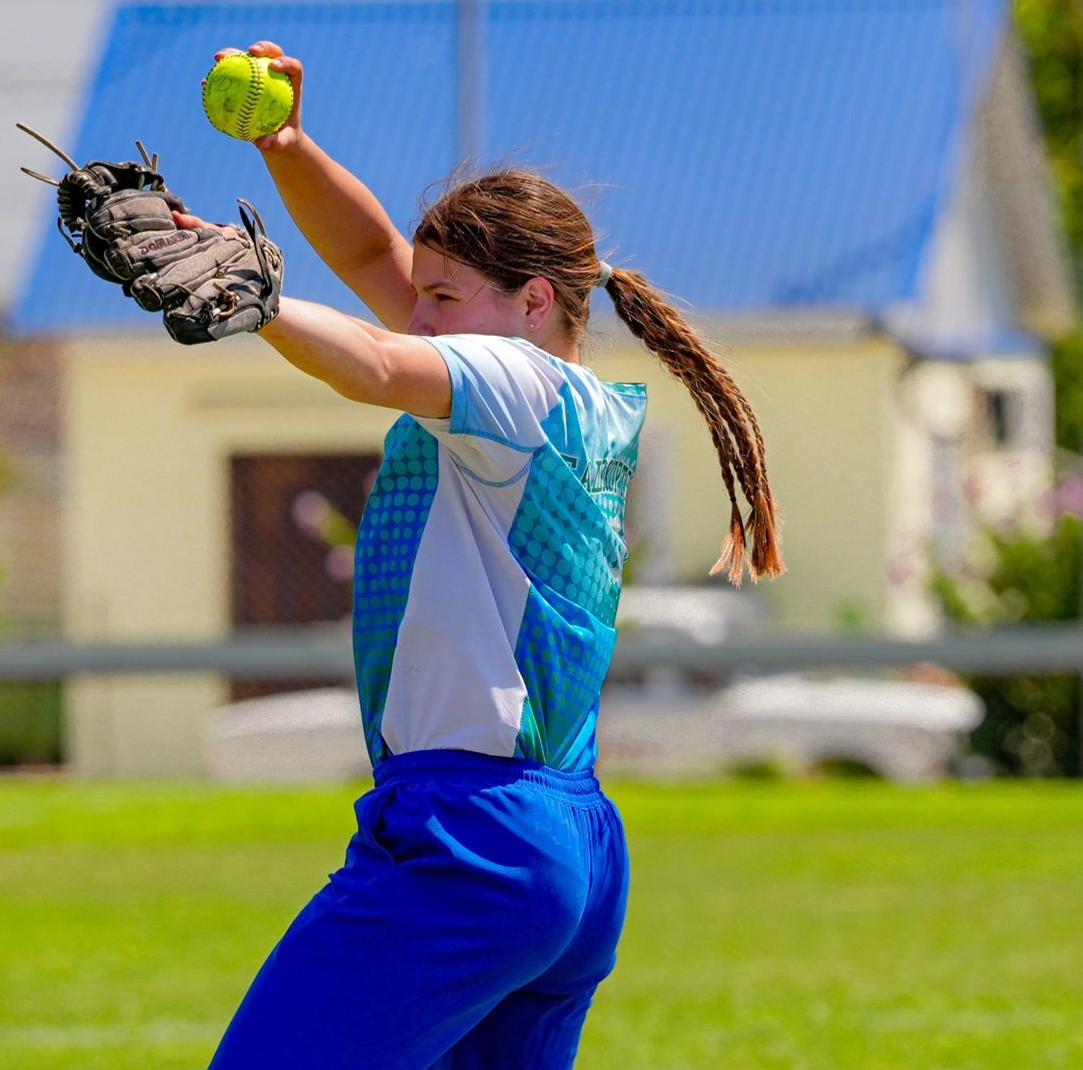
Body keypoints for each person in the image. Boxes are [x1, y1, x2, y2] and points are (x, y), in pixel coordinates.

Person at [182, 40, 785, 1070]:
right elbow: (377, 261)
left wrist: (258, 299)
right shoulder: (545, 393)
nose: (417, 313)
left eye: (443, 296)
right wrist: (287, 147)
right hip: (563, 839)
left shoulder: (512, 383)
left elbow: (373, 362)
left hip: (471, 833)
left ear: (535, 300)